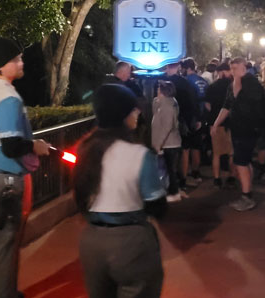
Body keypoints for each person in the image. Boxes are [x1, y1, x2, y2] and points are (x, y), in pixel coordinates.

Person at [0, 37, 51, 298]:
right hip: (3, 180)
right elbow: (12, 146)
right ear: (2, 66)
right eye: (16, 59)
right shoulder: (7, 98)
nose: (21, 62)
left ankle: (5, 291)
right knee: (6, 244)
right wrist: (35, 146)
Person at [74, 84, 167, 298]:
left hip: (91, 242)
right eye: (133, 109)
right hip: (131, 242)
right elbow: (157, 206)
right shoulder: (140, 155)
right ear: (122, 115)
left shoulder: (86, 150)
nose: (137, 113)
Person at [212, 57, 265, 211]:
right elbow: (227, 105)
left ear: (243, 68)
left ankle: (247, 196)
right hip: (239, 128)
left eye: (235, 68)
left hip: (248, 129)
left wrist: (238, 78)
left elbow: (239, 96)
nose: (232, 72)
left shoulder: (250, 82)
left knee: (241, 162)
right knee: (244, 162)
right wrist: (216, 123)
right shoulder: (234, 84)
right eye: (231, 69)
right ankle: (247, 192)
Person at [163, 62, 199, 190]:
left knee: (169, 152)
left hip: (169, 122)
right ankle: (182, 180)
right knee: (184, 150)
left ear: (167, 67)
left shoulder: (162, 83)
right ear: (178, 67)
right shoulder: (185, 83)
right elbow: (192, 102)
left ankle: (171, 181)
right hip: (184, 121)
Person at [204, 63, 236, 189]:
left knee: (216, 153)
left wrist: (214, 115)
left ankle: (217, 179)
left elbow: (207, 105)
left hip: (215, 124)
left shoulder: (212, 87)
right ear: (226, 72)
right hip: (231, 123)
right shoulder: (233, 86)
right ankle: (231, 177)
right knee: (231, 153)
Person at [151, 80, 184, 202]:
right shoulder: (168, 102)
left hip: (169, 144)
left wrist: (158, 145)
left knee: (170, 170)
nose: (157, 90)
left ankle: (174, 192)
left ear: (163, 91)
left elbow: (166, 127)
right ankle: (172, 191)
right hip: (169, 143)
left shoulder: (167, 106)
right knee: (169, 169)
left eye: (159, 88)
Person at [181, 57, 209, 183]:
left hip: (191, 117)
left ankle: (185, 174)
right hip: (202, 117)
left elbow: (189, 102)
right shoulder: (203, 81)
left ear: (187, 68)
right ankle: (196, 172)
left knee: (186, 148)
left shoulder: (186, 82)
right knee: (197, 147)